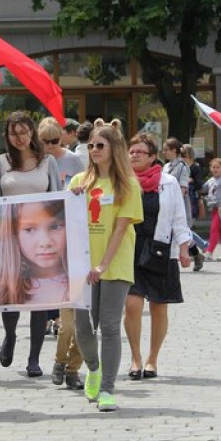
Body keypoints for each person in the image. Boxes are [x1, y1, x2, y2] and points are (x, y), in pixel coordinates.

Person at [69, 122, 142, 412]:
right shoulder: (77, 182)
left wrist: (102, 264)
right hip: (81, 265)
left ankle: (108, 389)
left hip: (114, 263)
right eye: (91, 146)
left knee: (109, 326)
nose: (95, 150)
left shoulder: (127, 184)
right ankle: (94, 369)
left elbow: (121, 228)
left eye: (101, 145)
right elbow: (64, 219)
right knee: (83, 328)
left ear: (114, 148)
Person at [0, 112, 62, 377]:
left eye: (24, 131)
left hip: (41, 237)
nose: (20, 138)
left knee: (40, 297)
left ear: (32, 132)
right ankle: (9, 335)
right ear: (7, 136)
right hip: (10, 236)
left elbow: (58, 199)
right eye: (13, 133)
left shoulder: (47, 161)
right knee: (12, 293)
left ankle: (34, 358)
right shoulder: (1, 162)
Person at [124, 133, 191, 381]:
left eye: (140, 152)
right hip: (129, 248)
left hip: (160, 249)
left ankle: (152, 358)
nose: (135, 155)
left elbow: (178, 218)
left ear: (153, 157)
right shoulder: (121, 180)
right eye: (132, 151)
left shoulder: (168, 182)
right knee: (132, 304)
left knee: (158, 307)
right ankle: (135, 358)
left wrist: (184, 248)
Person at [0, 201, 70, 304]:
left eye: (54, 227)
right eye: (29, 229)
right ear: (14, 234)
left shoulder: (81, 283)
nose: (45, 242)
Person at [39, 117, 84, 188]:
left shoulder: (73, 159)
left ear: (60, 138)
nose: (50, 145)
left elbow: (83, 184)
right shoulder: (34, 160)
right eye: (46, 141)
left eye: (54, 141)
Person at [161, 138, 191, 223]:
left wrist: (175, 205)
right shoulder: (166, 166)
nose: (164, 152)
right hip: (166, 202)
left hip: (177, 205)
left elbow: (182, 188)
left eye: (166, 150)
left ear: (174, 150)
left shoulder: (182, 166)